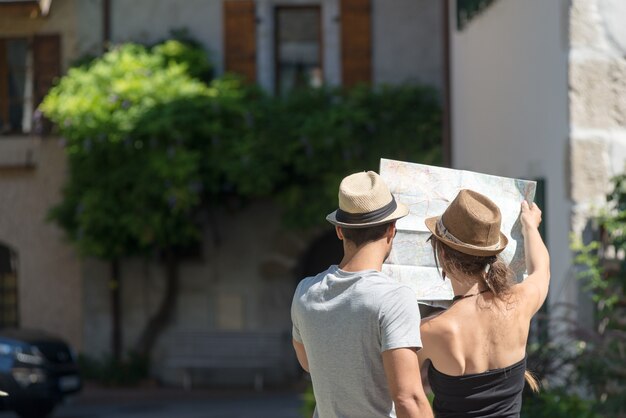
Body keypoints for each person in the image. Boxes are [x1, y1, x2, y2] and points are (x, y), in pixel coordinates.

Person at [291, 171, 434, 418]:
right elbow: (408, 398)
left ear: (339, 230)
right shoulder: (394, 298)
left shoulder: (305, 291)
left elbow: (308, 362)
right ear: (392, 230)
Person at [418, 189, 550, 417]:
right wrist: (530, 226)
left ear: (442, 255)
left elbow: (404, 394)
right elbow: (542, 271)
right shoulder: (518, 304)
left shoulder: (431, 331)